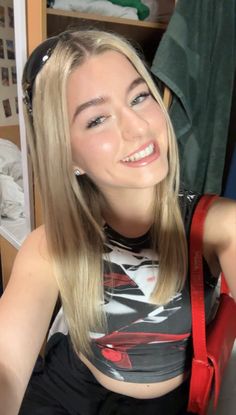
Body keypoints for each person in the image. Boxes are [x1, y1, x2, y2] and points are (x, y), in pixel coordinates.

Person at [0, 29, 235, 415]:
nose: (138, 127)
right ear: (67, 155)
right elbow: (7, 365)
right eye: (96, 120)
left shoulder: (217, 225)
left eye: (139, 97)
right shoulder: (51, 246)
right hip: (69, 391)